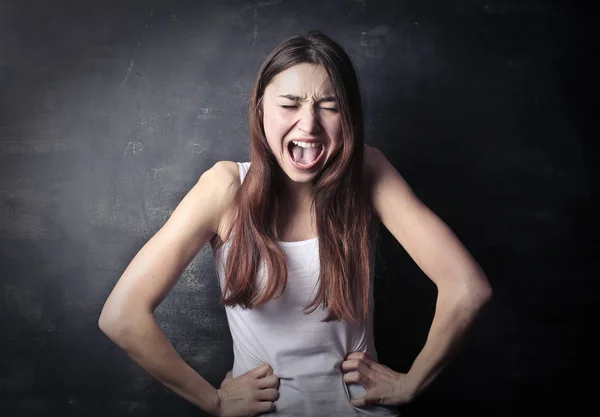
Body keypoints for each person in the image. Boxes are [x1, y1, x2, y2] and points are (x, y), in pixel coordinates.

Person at [98, 30, 492, 417]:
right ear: (260, 110)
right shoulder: (225, 186)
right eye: (289, 104)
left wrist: (411, 384)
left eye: (329, 105)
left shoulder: (368, 171)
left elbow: (467, 289)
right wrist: (213, 400)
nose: (309, 125)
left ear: (349, 115)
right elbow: (123, 315)